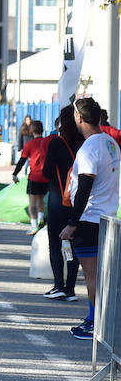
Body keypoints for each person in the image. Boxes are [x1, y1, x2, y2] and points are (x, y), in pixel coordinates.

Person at [59, 97, 121, 340]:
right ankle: (93, 318)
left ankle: (98, 324)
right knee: (102, 275)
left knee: (93, 276)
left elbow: (84, 187)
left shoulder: (89, 147)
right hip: (106, 218)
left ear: (79, 118)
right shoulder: (110, 143)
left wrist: (72, 223)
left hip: (89, 219)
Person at [42, 107, 84, 303]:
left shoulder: (56, 143)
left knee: (55, 243)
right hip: (78, 200)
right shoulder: (83, 142)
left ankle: (58, 285)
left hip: (58, 197)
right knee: (73, 244)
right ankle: (70, 288)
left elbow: (47, 171)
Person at [11, 119, 49, 233]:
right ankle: (41, 219)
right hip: (46, 177)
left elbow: (22, 161)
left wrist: (15, 174)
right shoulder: (47, 142)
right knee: (41, 199)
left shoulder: (29, 145)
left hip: (34, 177)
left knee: (32, 202)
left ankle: (33, 225)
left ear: (32, 131)